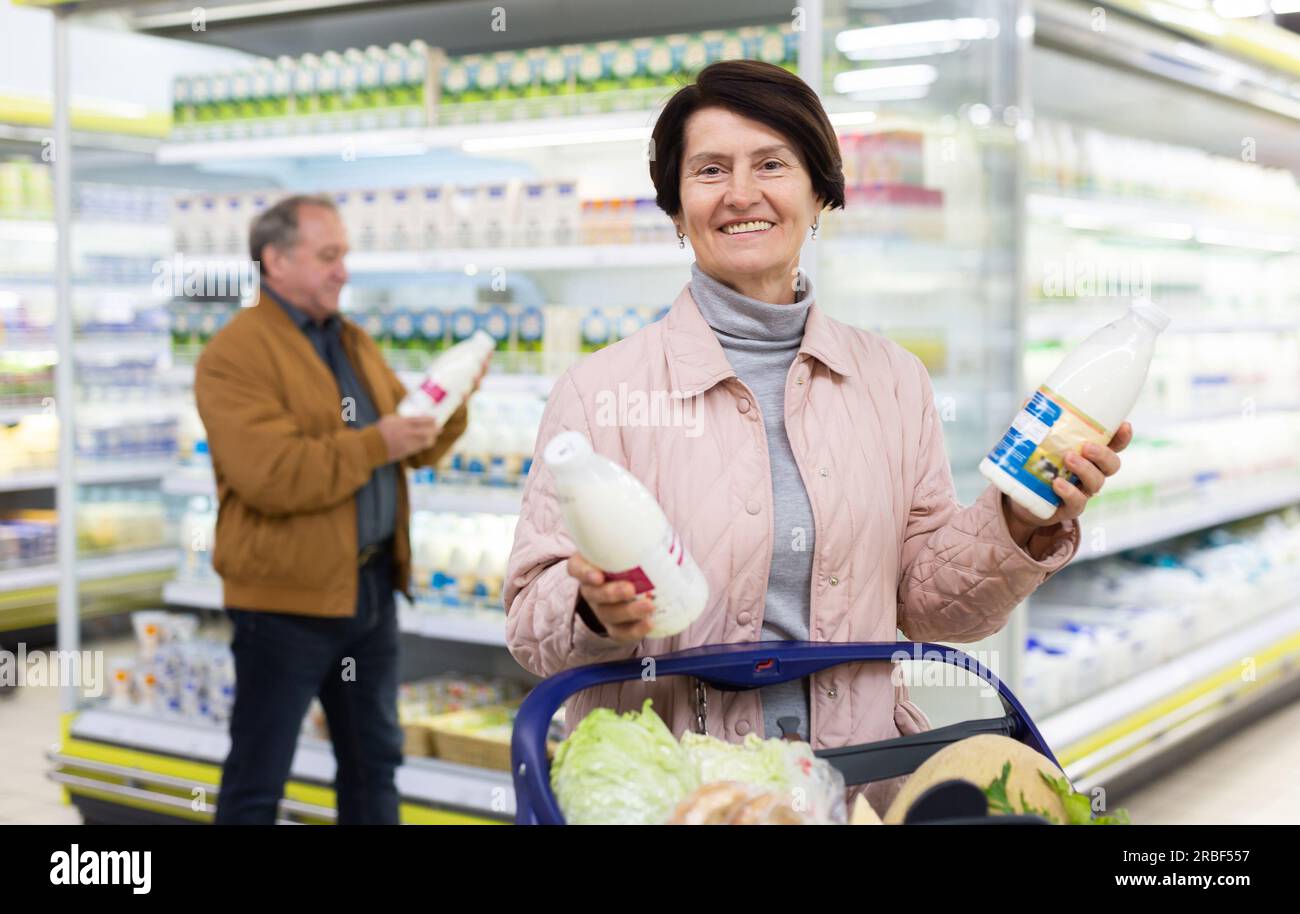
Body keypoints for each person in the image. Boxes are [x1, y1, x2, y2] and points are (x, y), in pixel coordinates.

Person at [503, 60, 1131, 815]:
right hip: (682, 795)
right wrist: (594, 612)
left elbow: (933, 607)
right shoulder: (600, 393)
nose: (741, 193)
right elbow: (531, 627)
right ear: (676, 208)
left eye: (773, 163)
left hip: (857, 781)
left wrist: (1020, 523)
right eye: (709, 170)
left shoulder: (890, 379)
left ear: (819, 192)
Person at [196, 194, 477, 824]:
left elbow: (410, 444)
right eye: (328, 256)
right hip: (284, 603)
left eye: (344, 255)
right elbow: (272, 475)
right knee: (258, 775)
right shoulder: (234, 353)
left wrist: (451, 398)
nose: (342, 270)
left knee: (375, 763)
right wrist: (378, 441)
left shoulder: (348, 338)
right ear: (275, 260)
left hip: (369, 591)